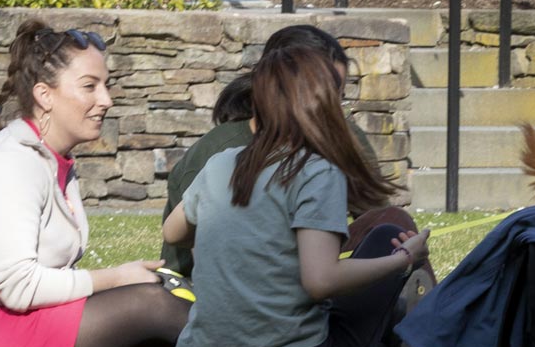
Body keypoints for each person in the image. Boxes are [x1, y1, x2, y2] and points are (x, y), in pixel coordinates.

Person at [162, 45, 432, 347]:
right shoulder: (317, 172)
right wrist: (403, 260)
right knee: (385, 238)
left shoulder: (221, 164)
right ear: (323, 104)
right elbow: (320, 280)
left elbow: (173, 233)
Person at [0, 22, 187, 347]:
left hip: (8, 320)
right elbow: (17, 286)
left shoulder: (51, 159)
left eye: (106, 85)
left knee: (159, 328)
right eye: (90, 86)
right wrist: (116, 278)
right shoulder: (12, 163)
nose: (106, 100)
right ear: (45, 95)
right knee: (150, 304)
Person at [160, 23, 375, 279]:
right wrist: (400, 259)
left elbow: (375, 219)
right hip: (202, 292)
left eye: (339, 96)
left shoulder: (345, 138)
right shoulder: (220, 154)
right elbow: (215, 273)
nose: (334, 111)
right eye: (323, 95)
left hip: (300, 283)